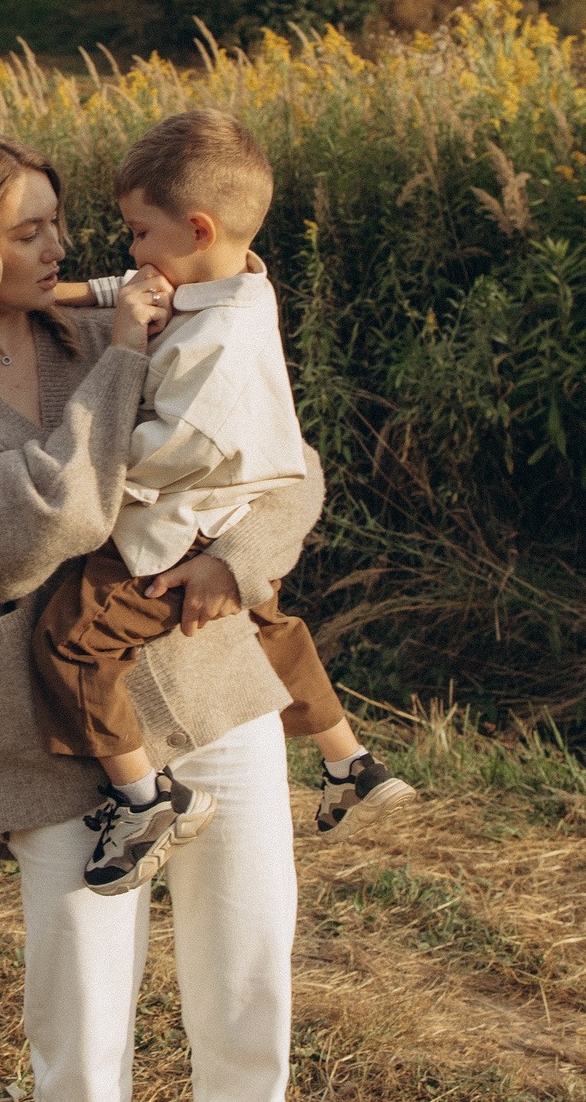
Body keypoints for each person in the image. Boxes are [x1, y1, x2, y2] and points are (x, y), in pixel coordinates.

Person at [0, 125, 314, 1102]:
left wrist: (239, 560)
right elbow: (24, 530)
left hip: (210, 677)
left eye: (59, 225)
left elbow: (283, 462)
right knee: (83, 1038)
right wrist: (125, 365)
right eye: (29, 234)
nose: (60, 251)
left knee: (247, 999)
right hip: (52, 720)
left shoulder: (102, 326)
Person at [43, 111, 413, 892]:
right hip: (245, 507)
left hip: (182, 526)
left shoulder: (218, 346)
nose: (133, 252)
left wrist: (92, 484)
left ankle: (144, 797)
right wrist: (64, 295)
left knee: (73, 636)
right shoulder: (233, 276)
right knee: (271, 625)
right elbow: (139, 285)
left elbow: (176, 452)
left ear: (197, 225)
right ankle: (350, 759)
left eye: (139, 232)